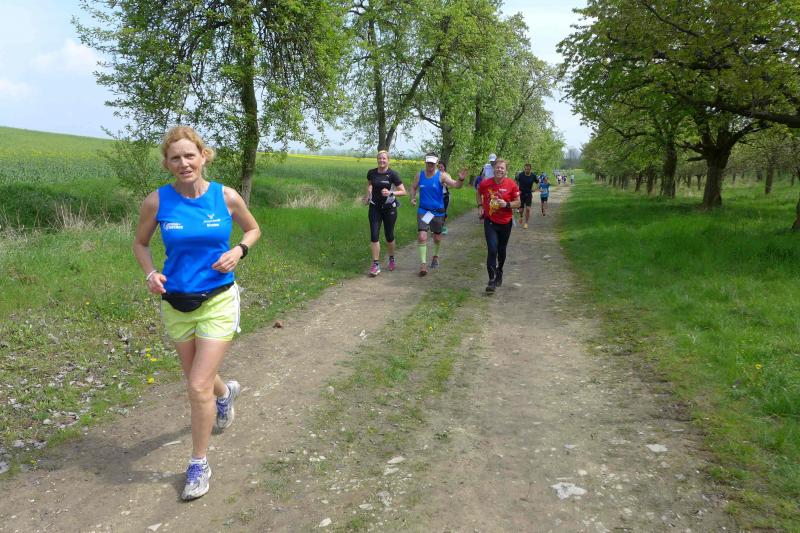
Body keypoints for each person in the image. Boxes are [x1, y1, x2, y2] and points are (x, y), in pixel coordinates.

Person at [132, 126, 261, 501]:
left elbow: (253, 229)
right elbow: (140, 244)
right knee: (197, 378)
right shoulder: (157, 201)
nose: (184, 163)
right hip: (176, 301)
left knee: (196, 385)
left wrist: (238, 251)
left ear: (204, 156)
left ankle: (198, 463)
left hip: (219, 299)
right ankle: (226, 394)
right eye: (175, 158)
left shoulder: (226, 196)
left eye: (190, 155)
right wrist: (150, 273)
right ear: (167, 164)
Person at [410, 153, 467, 276]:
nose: (430, 165)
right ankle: (423, 264)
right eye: (428, 163)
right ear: (425, 162)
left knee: (437, 237)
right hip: (424, 211)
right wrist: (413, 198)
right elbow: (413, 187)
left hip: (437, 212)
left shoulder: (442, 176)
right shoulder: (420, 175)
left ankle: (435, 255)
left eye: (432, 163)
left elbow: (456, 185)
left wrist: (461, 179)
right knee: (422, 236)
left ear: (436, 163)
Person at [477, 158, 520, 292]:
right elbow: (478, 192)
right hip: (490, 221)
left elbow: (518, 202)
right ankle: (491, 280)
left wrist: (506, 204)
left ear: (506, 171)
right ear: (493, 169)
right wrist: (480, 206)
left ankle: (499, 270)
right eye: (497, 167)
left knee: (501, 250)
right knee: (492, 249)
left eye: (502, 168)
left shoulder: (511, 184)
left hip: (505, 223)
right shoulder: (485, 184)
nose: (499, 169)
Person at [364, 150, 406, 276]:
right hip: (374, 207)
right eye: (380, 158)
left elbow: (403, 191)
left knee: (389, 235)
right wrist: (368, 195)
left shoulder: (393, 174)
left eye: (384, 158)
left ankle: (391, 258)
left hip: (389, 208)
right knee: (374, 235)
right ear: (377, 159)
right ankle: (375, 264)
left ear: (388, 160)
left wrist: (391, 192)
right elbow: (370, 184)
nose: (382, 160)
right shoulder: (371, 173)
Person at [515, 162, 539, 229]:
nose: (526, 170)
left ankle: (526, 223)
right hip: (521, 193)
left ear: (530, 169)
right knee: (521, 210)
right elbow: (516, 182)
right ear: (524, 169)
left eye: (528, 169)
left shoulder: (533, 175)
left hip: (528, 193)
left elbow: (538, 182)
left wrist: (535, 189)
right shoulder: (520, 175)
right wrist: (517, 190)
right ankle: (521, 216)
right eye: (525, 169)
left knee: (528, 209)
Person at [437, 161, 450, 234]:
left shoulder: (447, 175)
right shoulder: (434, 174)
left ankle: (441, 227)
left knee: (443, 212)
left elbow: (450, 186)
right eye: (438, 167)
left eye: (441, 167)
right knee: (433, 211)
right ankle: (433, 226)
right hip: (435, 196)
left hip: (444, 195)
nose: (440, 168)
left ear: (444, 167)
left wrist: (444, 183)